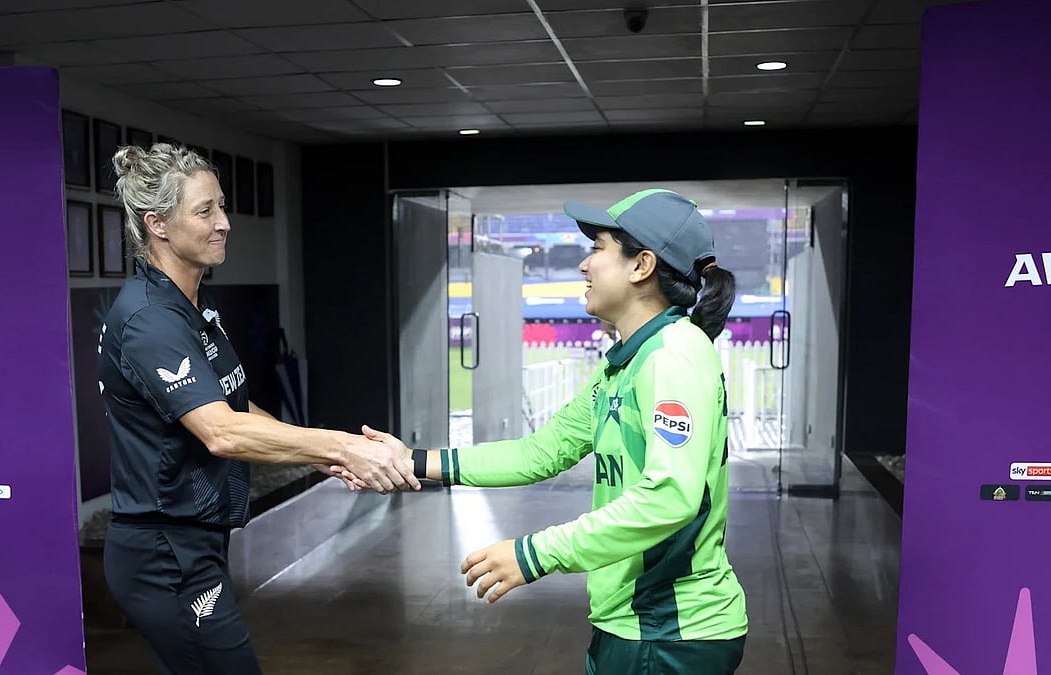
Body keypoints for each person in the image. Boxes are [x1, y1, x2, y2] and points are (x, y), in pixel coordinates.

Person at [364, 189, 748, 674]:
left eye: (599, 249)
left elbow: (670, 497)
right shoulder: (626, 362)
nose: (585, 266)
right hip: (634, 625)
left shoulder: (673, 354)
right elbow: (539, 453)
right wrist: (412, 462)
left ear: (641, 265)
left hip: (668, 631)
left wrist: (533, 555)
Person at [97, 143, 419, 675]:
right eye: (205, 211)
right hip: (163, 554)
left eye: (221, 206)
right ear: (157, 224)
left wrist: (314, 456)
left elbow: (237, 407)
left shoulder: (192, 307)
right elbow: (222, 433)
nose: (223, 223)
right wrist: (342, 445)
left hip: (194, 543)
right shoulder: (150, 320)